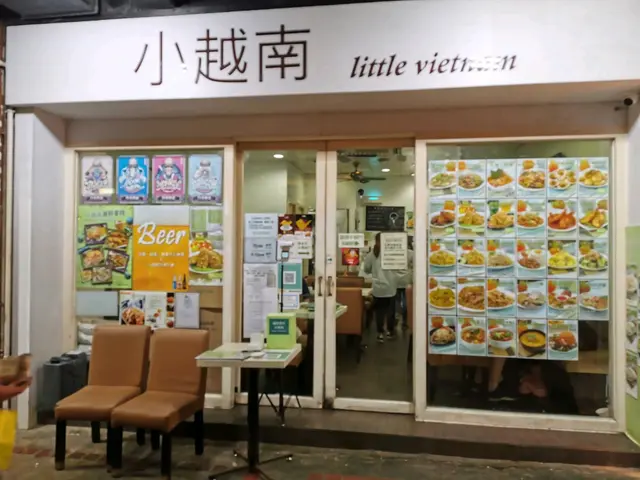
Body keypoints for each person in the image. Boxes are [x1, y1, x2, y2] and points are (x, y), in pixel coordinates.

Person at [363, 233, 398, 343]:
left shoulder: (371, 255)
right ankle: (390, 332)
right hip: (391, 287)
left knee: (379, 312)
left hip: (378, 288)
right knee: (390, 311)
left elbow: (366, 269)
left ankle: (380, 333)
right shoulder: (392, 253)